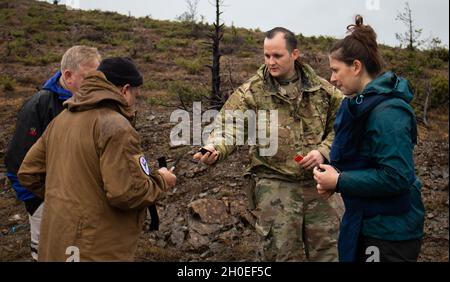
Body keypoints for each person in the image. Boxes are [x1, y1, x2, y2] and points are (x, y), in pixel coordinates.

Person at [194, 27, 344, 261]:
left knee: (332, 253)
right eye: (266, 56)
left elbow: (344, 126)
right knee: (280, 255)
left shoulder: (322, 90)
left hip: (320, 184)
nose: (271, 62)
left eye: (277, 56)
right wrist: (215, 147)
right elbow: (229, 126)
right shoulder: (252, 92)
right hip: (275, 185)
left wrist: (324, 151)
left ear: (295, 54)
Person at [17, 57, 177, 261]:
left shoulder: (61, 119)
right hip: (95, 247)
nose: (135, 102)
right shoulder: (115, 126)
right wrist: (163, 180)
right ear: (125, 90)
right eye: (136, 95)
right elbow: (128, 193)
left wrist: (67, 206)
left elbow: (29, 172)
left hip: (58, 238)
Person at [313, 15, 425, 262]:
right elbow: (363, 161)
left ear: (356, 66)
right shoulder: (357, 104)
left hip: (389, 233)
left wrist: (340, 181)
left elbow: (396, 176)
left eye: (335, 70)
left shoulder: (389, 113)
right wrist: (334, 178)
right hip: (364, 223)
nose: (332, 78)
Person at [4, 45, 101, 261]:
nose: (96, 85)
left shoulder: (90, 105)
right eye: (89, 78)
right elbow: (17, 161)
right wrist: (37, 203)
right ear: (68, 75)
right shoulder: (39, 105)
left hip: (81, 205)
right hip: (46, 204)